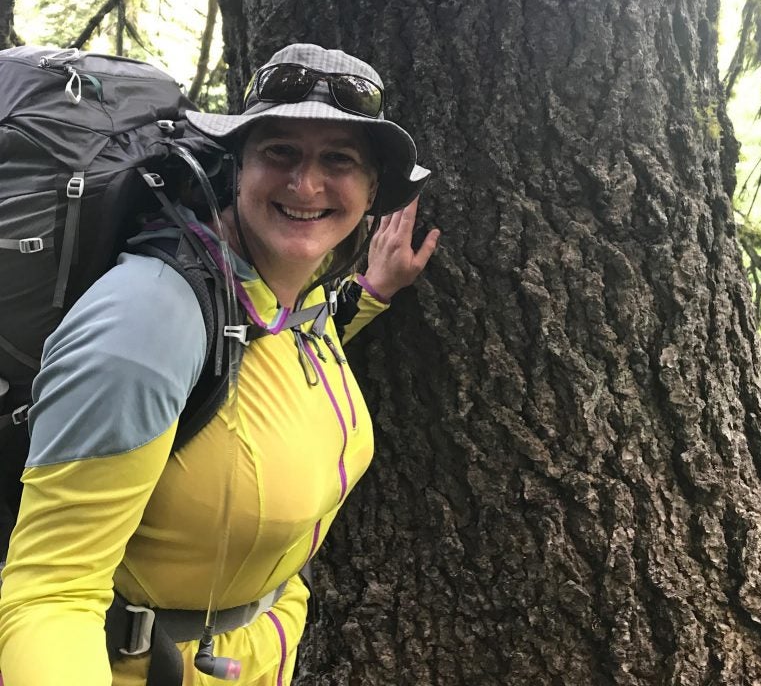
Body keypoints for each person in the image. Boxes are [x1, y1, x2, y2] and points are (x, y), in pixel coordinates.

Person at [0, 43, 439, 686]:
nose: (306, 183)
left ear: (372, 192)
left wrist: (370, 295)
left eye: (338, 160)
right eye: (279, 152)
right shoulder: (147, 321)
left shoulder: (296, 293)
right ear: (237, 169)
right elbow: (50, 593)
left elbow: (275, 360)